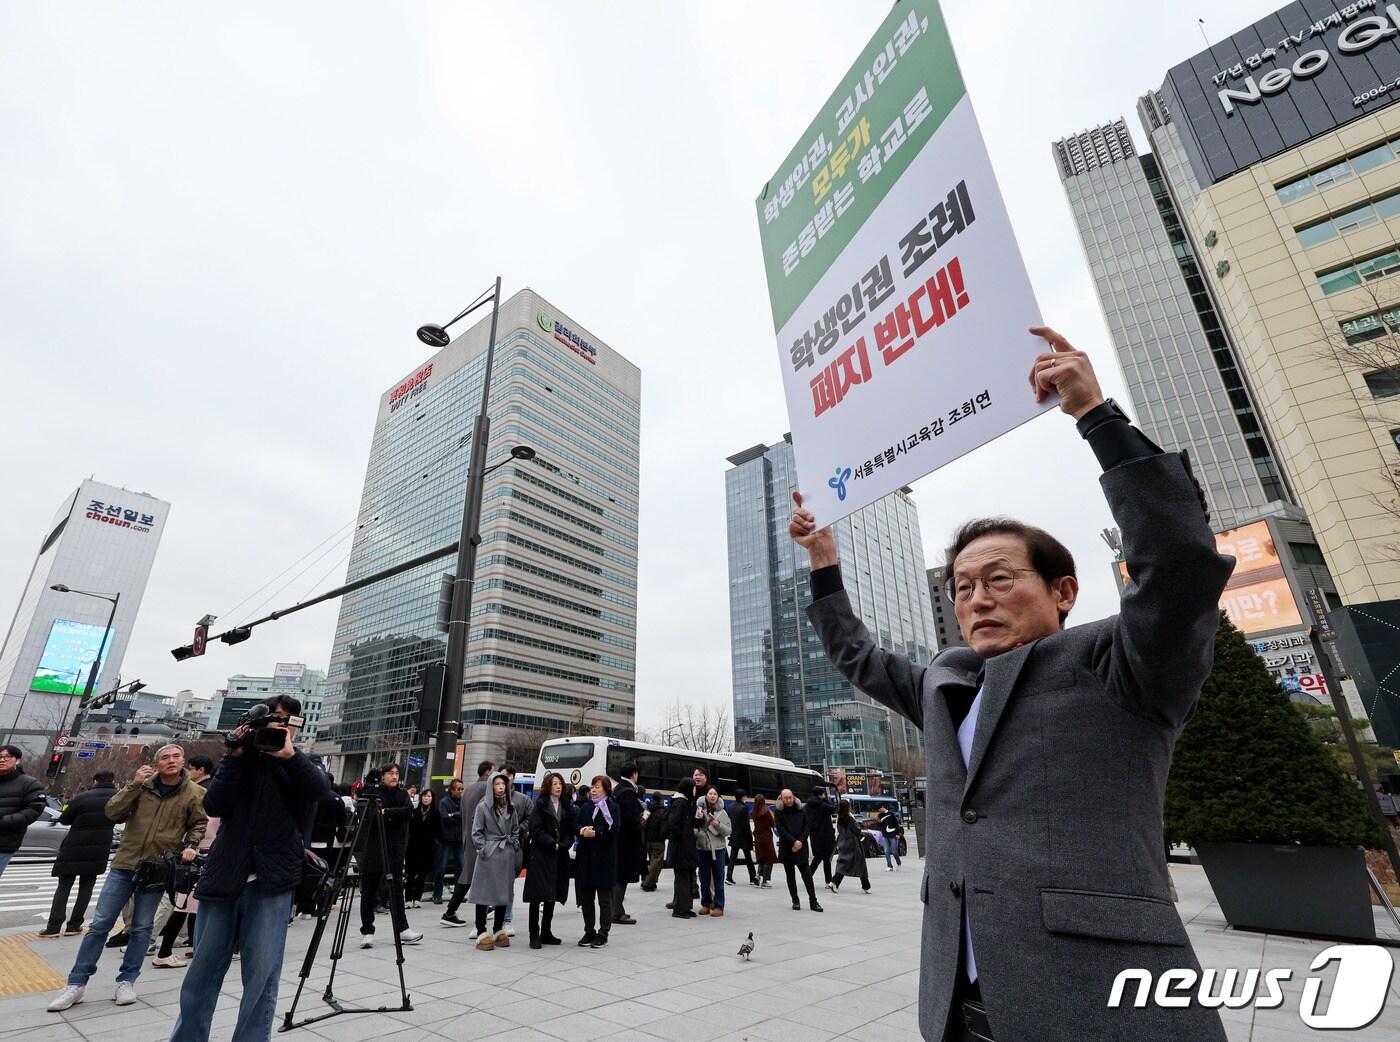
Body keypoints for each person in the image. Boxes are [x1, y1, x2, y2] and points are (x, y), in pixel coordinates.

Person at [790, 326, 1233, 1042]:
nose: (977, 600)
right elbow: (857, 656)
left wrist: (1096, 416)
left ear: (1063, 590)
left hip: (1098, 1007)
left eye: (999, 579)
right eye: (963, 587)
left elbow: (1180, 565)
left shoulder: (1120, 663)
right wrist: (823, 563)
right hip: (959, 1010)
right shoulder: (945, 681)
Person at [161, 694, 332, 1042]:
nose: (275, 725)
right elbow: (214, 803)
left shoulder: (302, 762)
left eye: (283, 720)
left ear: (295, 726)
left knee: (261, 975)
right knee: (203, 970)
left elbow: (318, 792)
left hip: (273, 880)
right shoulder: (240, 760)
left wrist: (288, 756)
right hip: (225, 873)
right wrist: (235, 756)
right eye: (270, 718)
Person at [47, 744, 206, 1012]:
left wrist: (191, 845)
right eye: (164, 757)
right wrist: (134, 785)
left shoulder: (195, 792)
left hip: (157, 867)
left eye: (176, 756)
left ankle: (127, 980)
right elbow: (113, 812)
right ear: (156, 764)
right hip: (125, 863)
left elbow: (199, 824)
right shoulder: (140, 787)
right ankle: (76, 982)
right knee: (100, 924)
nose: (171, 761)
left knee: (142, 928)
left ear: (184, 761)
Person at [41, 771, 118, 938]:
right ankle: (74, 925)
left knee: (64, 886)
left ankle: (53, 927)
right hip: (99, 848)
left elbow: (64, 819)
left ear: (95, 780)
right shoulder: (119, 798)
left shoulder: (84, 796)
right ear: (113, 780)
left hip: (74, 845)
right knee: (87, 887)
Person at [355, 763, 421, 948]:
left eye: (396, 773)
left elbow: (408, 811)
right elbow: (372, 818)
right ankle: (367, 930)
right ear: (382, 776)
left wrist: (387, 813)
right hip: (374, 849)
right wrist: (391, 815)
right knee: (369, 891)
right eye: (390, 773)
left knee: (397, 890)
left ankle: (402, 929)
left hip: (395, 849)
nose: (394, 776)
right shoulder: (373, 794)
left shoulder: (402, 794)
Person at [467, 771, 522, 950]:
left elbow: (515, 829)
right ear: (491, 787)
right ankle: (481, 930)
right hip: (489, 852)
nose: (500, 788)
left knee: (502, 893)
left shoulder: (511, 807)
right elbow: (476, 831)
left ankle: (498, 929)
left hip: (505, 852)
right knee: (484, 892)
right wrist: (483, 849)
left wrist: (513, 844)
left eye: (503, 784)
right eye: (497, 784)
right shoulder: (482, 806)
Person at [442, 761, 493, 928]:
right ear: (487, 772)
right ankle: (450, 912)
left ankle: (453, 911)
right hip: (481, 838)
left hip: (467, 836)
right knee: (472, 874)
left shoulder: (468, 790)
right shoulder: (487, 788)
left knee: (469, 873)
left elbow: (463, 815)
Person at [523, 772, 571, 948]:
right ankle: (533, 934)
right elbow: (535, 830)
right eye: (554, 783)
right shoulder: (540, 805)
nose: (558, 786)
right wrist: (552, 843)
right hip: (541, 855)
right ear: (548, 786)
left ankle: (546, 932)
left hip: (559, 856)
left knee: (552, 895)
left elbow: (569, 831)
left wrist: (563, 844)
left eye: (560, 783)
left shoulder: (566, 806)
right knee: (537, 896)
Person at [573, 774, 618, 948]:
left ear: (606, 789)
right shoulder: (585, 807)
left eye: (597, 787)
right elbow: (576, 826)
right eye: (592, 786)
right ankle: (589, 931)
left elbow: (614, 829)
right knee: (586, 899)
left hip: (604, 859)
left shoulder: (613, 808)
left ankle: (603, 933)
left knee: (604, 899)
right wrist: (582, 830)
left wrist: (597, 833)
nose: (593, 790)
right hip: (586, 858)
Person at [0, 744, 45, 881]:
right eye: (0, 757)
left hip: (3, 842)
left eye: (7, 757)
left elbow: (33, 811)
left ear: (17, 760)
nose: (2, 760)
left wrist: (3, 821)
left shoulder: (29, 784)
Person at [774, 789, 822, 913]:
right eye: (786, 798)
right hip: (788, 848)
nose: (789, 800)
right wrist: (793, 842)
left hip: (801, 847)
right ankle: (795, 900)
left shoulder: (802, 810)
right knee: (790, 876)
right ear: (782, 799)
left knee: (807, 875)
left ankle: (813, 901)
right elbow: (781, 830)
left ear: (794, 797)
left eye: (791, 797)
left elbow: (807, 826)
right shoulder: (778, 813)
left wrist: (800, 841)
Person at [611, 760, 644, 926]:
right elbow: (631, 821)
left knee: (618, 876)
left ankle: (616, 909)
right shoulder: (629, 792)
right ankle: (617, 912)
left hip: (618, 840)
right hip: (627, 842)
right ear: (634, 774)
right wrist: (642, 820)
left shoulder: (617, 789)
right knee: (622, 877)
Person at [501, 765, 531, 936]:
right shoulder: (489, 799)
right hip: (494, 847)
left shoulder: (522, 799)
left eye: (507, 776)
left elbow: (530, 818)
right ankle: (482, 922)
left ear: (513, 777)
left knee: (508, 883)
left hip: (514, 846)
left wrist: (518, 829)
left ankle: (507, 918)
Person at [695, 786, 731, 916]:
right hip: (703, 849)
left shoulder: (723, 812)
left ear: (718, 796)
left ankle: (719, 906)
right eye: (710, 793)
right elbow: (695, 827)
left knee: (718, 879)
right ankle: (705, 904)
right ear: (706, 795)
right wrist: (698, 834)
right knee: (703, 879)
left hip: (718, 850)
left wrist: (718, 825)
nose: (712, 796)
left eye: (715, 794)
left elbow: (728, 831)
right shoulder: (699, 810)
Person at [665, 780, 699, 918]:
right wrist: (683, 836)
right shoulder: (680, 803)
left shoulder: (685, 802)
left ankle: (686, 907)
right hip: (681, 848)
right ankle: (679, 909)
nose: (695, 791)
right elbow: (673, 824)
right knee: (682, 879)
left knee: (687, 877)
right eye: (694, 788)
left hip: (685, 847)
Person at [405, 787, 441, 909]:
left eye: (429, 796)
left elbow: (438, 830)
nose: (426, 798)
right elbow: (409, 828)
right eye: (424, 796)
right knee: (410, 873)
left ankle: (417, 898)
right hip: (413, 846)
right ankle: (408, 898)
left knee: (421, 873)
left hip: (427, 847)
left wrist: (435, 842)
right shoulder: (415, 812)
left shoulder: (436, 813)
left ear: (432, 799)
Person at [433, 777, 465, 903]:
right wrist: (457, 815)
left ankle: (458, 895)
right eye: (458, 789)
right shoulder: (444, 802)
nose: (460, 791)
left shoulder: (463, 801)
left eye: (462, 789)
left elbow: (466, 815)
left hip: (459, 838)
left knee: (461, 867)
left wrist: (454, 814)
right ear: (452, 790)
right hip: (446, 838)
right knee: (441, 867)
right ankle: (437, 894)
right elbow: (445, 818)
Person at [830, 800, 870, 894]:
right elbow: (856, 830)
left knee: (843, 863)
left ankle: (835, 881)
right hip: (853, 843)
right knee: (860, 864)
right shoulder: (850, 817)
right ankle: (865, 885)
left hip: (843, 841)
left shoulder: (839, 817)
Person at [803, 787, 837, 887]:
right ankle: (828, 881)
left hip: (815, 835)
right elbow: (834, 808)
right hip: (826, 836)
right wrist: (825, 799)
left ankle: (807, 877)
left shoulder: (807, 806)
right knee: (827, 860)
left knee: (817, 859)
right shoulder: (822, 805)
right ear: (821, 794)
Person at [725, 788, 756, 885]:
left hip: (734, 835)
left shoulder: (730, 807)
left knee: (733, 858)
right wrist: (750, 838)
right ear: (743, 797)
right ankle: (753, 878)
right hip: (743, 837)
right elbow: (746, 825)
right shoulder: (744, 808)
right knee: (748, 859)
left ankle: (728, 877)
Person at [640, 793, 666, 891]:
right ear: (660, 800)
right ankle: (648, 884)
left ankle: (652, 882)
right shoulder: (663, 811)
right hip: (658, 840)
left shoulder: (648, 809)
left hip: (648, 839)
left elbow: (642, 822)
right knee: (656, 864)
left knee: (652, 862)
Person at [751, 793, 777, 889]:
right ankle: (765, 881)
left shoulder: (753, 812)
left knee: (761, 858)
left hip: (757, 836)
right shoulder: (766, 811)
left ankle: (758, 875)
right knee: (769, 858)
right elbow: (772, 823)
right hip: (766, 836)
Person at [878, 805, 904, 871]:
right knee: (886, 851)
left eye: (880, 809)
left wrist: (897, 834)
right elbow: (881, 826)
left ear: (883, 807)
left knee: (894, 851)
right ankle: (890, 866)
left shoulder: (891, 814)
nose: (879, 810)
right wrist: (879, 822)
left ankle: (899, 863)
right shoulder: (880, 815)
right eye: (878, 810)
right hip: (885, 835)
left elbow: (896, 824)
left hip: (893, 835)